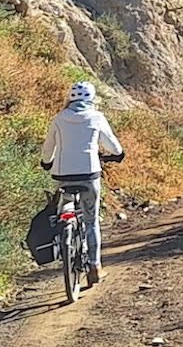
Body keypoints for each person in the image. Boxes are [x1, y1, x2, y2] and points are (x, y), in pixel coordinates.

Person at [41, 81, 124, 283]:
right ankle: (95, 268)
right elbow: (113, 146)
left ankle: (65, 234)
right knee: (90, 220)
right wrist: (118, 154)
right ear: (91, 99)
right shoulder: (96, 117)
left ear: (70, 98)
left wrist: (46, 162)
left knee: (63, 209)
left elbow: (48, 147)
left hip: (62, 175)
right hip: (89, 174)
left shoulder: (59, 119)